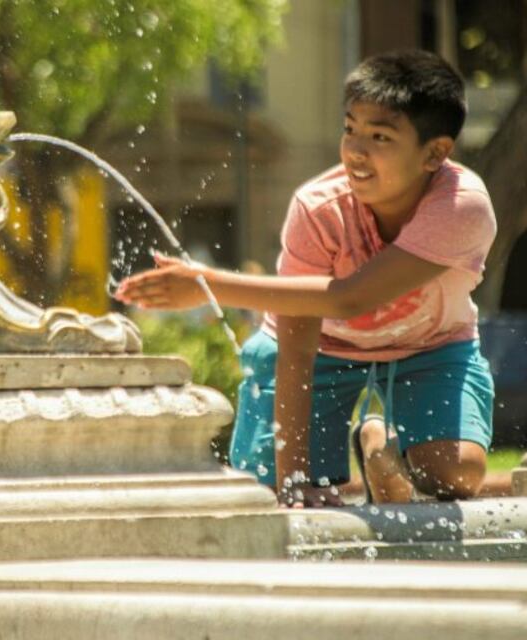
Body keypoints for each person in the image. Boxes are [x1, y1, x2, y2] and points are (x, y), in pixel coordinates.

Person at [115, 50, 496, 508]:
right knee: (271, 497)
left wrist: (208, 284)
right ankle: (370, 457)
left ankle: (382, 451)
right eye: (350, 129)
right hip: (322, 350)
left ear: (435, 153)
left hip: (429, 346)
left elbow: (350, 299)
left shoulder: (460, 207)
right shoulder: (319, 208)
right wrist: (293, 478)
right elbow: (295, 344)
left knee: (455, 477)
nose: (356, 151)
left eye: (380, 137)